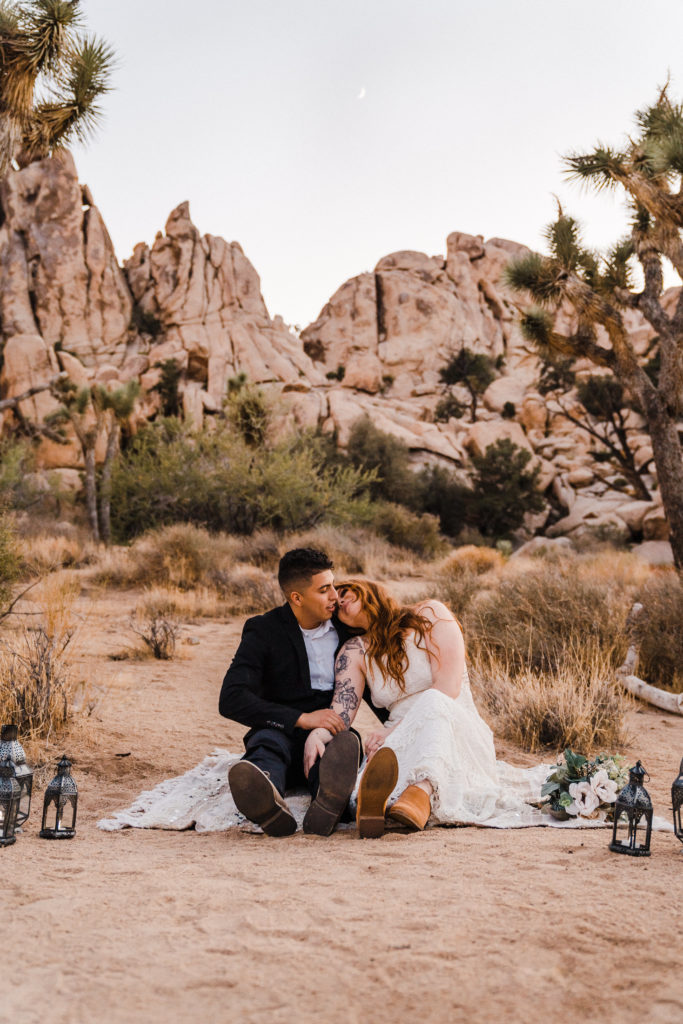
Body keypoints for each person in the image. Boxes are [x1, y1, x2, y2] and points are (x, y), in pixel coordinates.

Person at [303, 579, 552, 838]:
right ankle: (377, 804)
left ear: (370, 588)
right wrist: (318, 733)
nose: (340, 601)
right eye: (336, 605)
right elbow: (341, 711)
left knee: (434, 702)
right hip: (398, 736)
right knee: (379, 764)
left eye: (344, 592)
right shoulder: (352, 651)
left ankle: (419, 793)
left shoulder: (430, 614)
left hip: (455, 724)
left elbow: (448, 686)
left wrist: (392, 733)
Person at [219, 548, 388, 837]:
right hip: (280, 730)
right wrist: (301, 718)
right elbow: (231, 698)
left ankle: (329, 800)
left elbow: (374, 688)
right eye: (324, 590)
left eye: (333, 585)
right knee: (266, 749)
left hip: (331, 735)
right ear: (296, 598)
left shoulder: (347, 630)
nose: (336, 596)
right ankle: (265, 798)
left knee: (342, 749)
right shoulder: (264, 630)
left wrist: (396, 727)